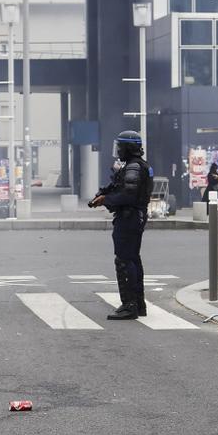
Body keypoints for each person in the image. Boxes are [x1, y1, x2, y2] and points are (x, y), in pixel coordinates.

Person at [90, 129, 152, 320]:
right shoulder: (136, 166)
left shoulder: (133, 167)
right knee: (133, 259)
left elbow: (128, 195)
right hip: (134, 216)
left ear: (128, 147)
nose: (118, 150)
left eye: (120, 146)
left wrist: (105, 200)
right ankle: (138, 304)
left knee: (124, 260)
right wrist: (105, 193)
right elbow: (120, 187)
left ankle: (129, 305)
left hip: (129, 217)